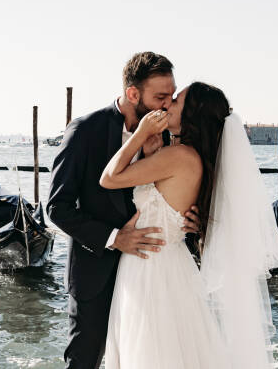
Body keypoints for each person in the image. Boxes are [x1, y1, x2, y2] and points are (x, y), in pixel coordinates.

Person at [101, 82, 278, 368]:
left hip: (152, 268)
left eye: (176, 101)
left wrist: (139, 135)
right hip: (169, 264)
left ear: (192, 116)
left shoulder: (180, 156)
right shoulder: (188, 156)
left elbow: (109, 178)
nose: (167, 104)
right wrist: (151, 155)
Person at [47, 52, 202, 369]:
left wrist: (192, 219)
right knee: (84, 362)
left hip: (152, 275)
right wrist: (114, 238)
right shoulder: (85, 130)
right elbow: (57, 207)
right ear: (133, 94)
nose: (167, 105)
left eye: (172, 96)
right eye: (160, 97)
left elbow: (175, 194)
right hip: (95, 272)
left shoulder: (172, 135)